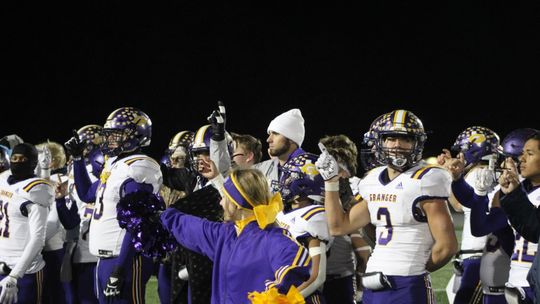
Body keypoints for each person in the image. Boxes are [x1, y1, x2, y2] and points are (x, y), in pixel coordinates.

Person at [316, 109, 458, 304]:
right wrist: (330, 182)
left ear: (417, 143)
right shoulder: (373, 179)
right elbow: (339, 226)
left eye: (405, 139)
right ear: (379, 142)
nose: (397, 145)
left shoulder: (426, 179)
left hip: (408, 285)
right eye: (390, 138)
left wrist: (414, 269)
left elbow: (447, 246)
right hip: (374, 285)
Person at [160, 166, 317, 303]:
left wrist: (274, 296)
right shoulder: (224, 234)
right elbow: (187, 225)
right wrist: (160, 215)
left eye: (225, 198)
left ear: (237, 204)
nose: (220, 203)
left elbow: (298, 267)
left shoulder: (273, 238)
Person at [65, 107, 162, 304]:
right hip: (104, 259)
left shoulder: (139, 167)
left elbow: (137, 223)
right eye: (108, 135)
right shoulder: (115, 165)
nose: (109, 140)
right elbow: (86, 194)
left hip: (126, 258)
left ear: (136, 136)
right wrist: (77, 159)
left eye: (116, 135)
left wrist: (121, 268)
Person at [439, 126, 501, 304]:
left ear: (473, 150)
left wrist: (448, 174)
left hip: (478, 253)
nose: (460, 155)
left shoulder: (476, 174)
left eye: (462, 151)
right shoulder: (492, 172)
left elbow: (459, 205)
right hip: (488, 251)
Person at [0, 143, 55, 304]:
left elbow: (38, 239)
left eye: (22, 159)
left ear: (32, 162)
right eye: (14, 158)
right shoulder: (3, 181)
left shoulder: (36, 190)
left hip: (24, 273)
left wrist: (14, 276)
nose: (17, 162)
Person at [276, 152, 328, 302]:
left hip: (305, 297)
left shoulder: (313, 217)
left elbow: (317, 276)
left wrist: (289, 300)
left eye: (290, 177)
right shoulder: (282, 212)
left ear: (305, 185)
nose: (284, 181)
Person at [497, 131, 540, 302]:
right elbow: (533, 229)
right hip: (521, 276)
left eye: (529, 154)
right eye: (522, 153)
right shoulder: (523, 190)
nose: (521, 158)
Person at [254, 108, 306, 193]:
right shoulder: (262, 169)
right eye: (269, 134)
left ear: (291, 139)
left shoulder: (311, 168)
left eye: (276, 134)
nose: (268, 139)